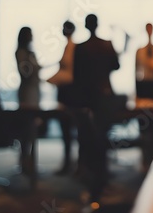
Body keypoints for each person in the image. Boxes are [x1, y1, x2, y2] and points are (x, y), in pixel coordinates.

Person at [72, 14, 120, 202]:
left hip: (87, 97)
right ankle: (102, 177)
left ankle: (93, 178)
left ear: (85, 26)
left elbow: (77, 76)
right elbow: (116, 66)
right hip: (105, 96)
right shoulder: (107, 44)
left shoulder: (81, 47)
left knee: (89, 138)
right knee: (102, 137)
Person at [47, 21, 77, 174]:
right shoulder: (69, 46)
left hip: (68, 92)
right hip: (67, 91)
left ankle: (69, 164)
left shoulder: (72, 47)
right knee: (67, 129)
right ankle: (68, 162)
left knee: (67, 128)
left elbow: (69, 73)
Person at [15, 26, 42, 174]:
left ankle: (28, 160)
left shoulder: (29, 53)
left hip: (34, 92)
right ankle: (25, 160)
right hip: (27, 93)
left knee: (32, 128)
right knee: (27, 127)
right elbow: (25, 72)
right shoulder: (21, 53)